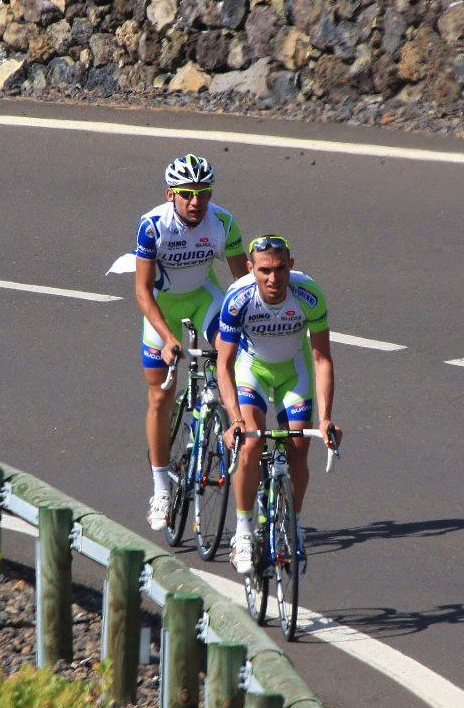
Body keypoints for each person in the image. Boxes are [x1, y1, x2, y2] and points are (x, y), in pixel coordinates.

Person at [135, 153, 248, 531]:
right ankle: (161, 486)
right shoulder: (152, 226)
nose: (196, 201)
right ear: (171, 194)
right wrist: (168, 339)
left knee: (227, 354)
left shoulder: (224, 223)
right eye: (186, 193)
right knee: (159, 395)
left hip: (204, 298)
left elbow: (241, 285)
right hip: (162, 307)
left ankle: (218, 410)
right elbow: (142, 292)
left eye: (203, 193)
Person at [217, 234, 342, 575]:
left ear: (291, 265)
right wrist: (234, 420)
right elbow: (224, 364)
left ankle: (295, 526)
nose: (274, 278)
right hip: (251, 370)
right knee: (252, 442)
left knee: (299, 447)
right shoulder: (238, 298)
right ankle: (243, 532)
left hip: (292, 371)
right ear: (250, 269)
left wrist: (327, 418)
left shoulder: (309, 295)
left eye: (280, 269)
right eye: (265, 271)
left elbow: (321, 359)